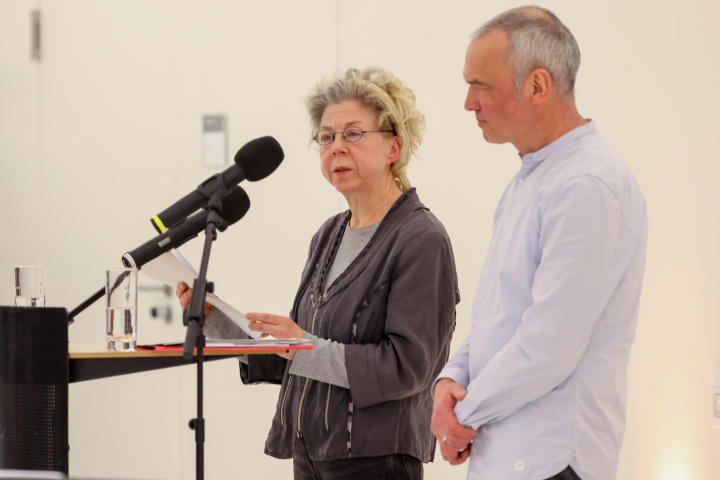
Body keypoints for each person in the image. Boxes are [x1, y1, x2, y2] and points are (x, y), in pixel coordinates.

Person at [177, 66, 459, 479]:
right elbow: (304, 351)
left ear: (393, 147)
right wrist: (222, 324)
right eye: (326, 137)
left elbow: (407, 367)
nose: (336, 147)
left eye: (353, 133)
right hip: (311, 453)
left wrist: (302, 346)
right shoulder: (329, 234)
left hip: (375, 461)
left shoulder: (421, 239)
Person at [430, 6, 648, 480]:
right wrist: (451, 378)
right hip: (507, 454)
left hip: (551, 461)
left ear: (537, 86)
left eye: (480, 86)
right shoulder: (532, 180)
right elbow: (499, 316)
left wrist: (461, 417)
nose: (469, 103)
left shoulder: (588, 184)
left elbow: (549, 345)